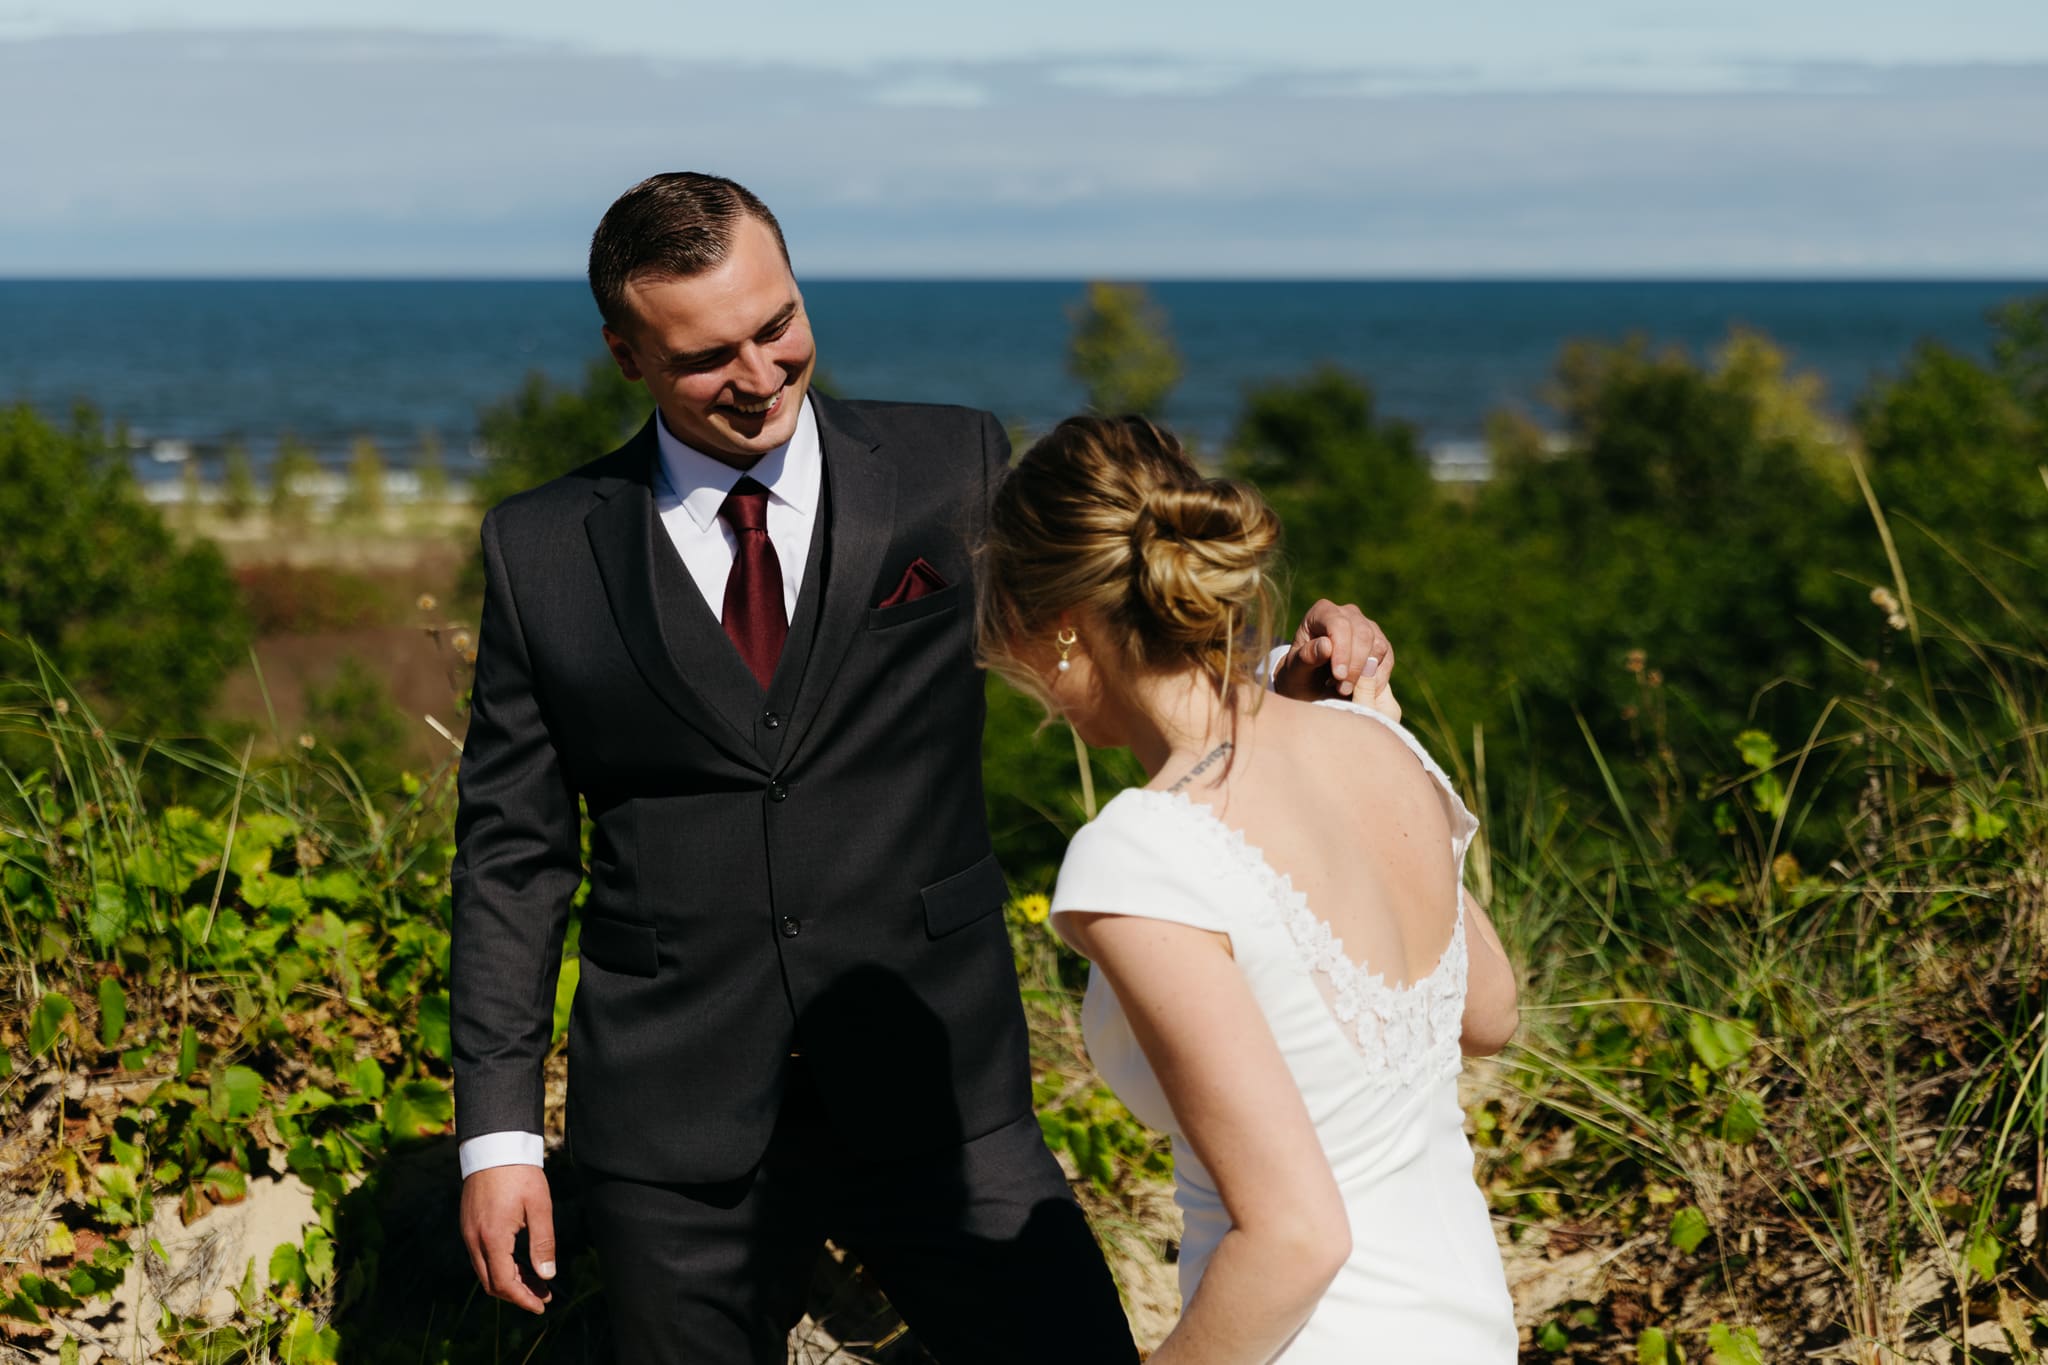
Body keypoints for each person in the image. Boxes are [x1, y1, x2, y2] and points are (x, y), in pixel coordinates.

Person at [449, 172, 1398, 1363]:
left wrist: (1274, 689)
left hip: (944, 1086)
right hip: (672, 1123)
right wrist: (496, 1140)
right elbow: (511, 858)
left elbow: (1109, 627)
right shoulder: (540, 548)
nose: (758, 377)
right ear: (624, 354)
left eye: (777, 324)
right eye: (706, 358)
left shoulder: (952, 465)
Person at [977, 414, 1521, 1363]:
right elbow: (1489, 1015)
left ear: (1062, 630)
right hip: (1469, 1326)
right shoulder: (1377, 741)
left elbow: (1296, 1238)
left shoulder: (1140, 851)